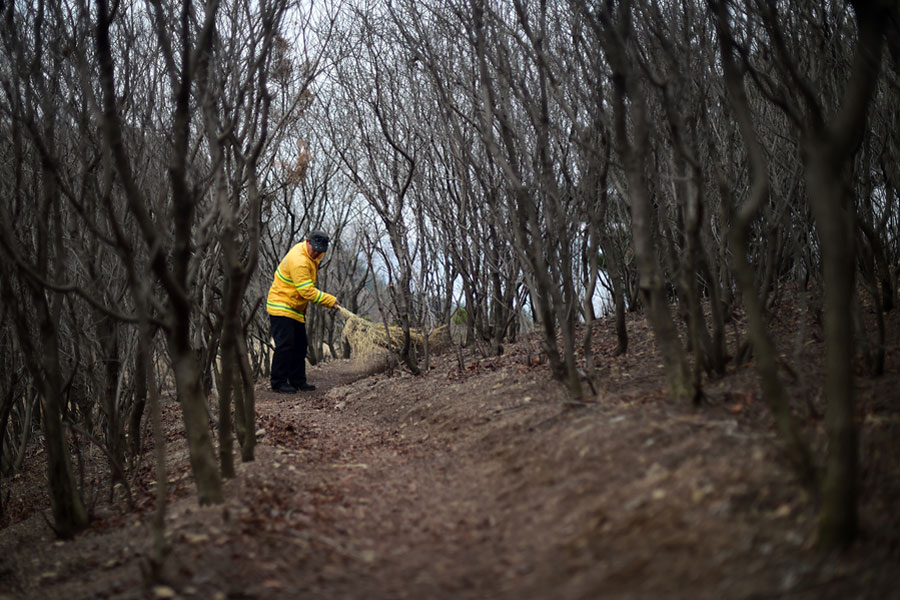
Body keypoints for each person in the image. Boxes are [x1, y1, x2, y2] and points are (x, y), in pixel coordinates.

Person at [266, 230, 340, 393]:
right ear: (307, 241)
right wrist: (330, 300)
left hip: (294, 307)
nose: (317, 252)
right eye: (315, 248)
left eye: (321, 250)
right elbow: (306, 291)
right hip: (281, 305)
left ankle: (298, 381)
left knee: (300, 345)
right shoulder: (299, 260)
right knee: (285, 345)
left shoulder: (311, 256)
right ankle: (278, 382)